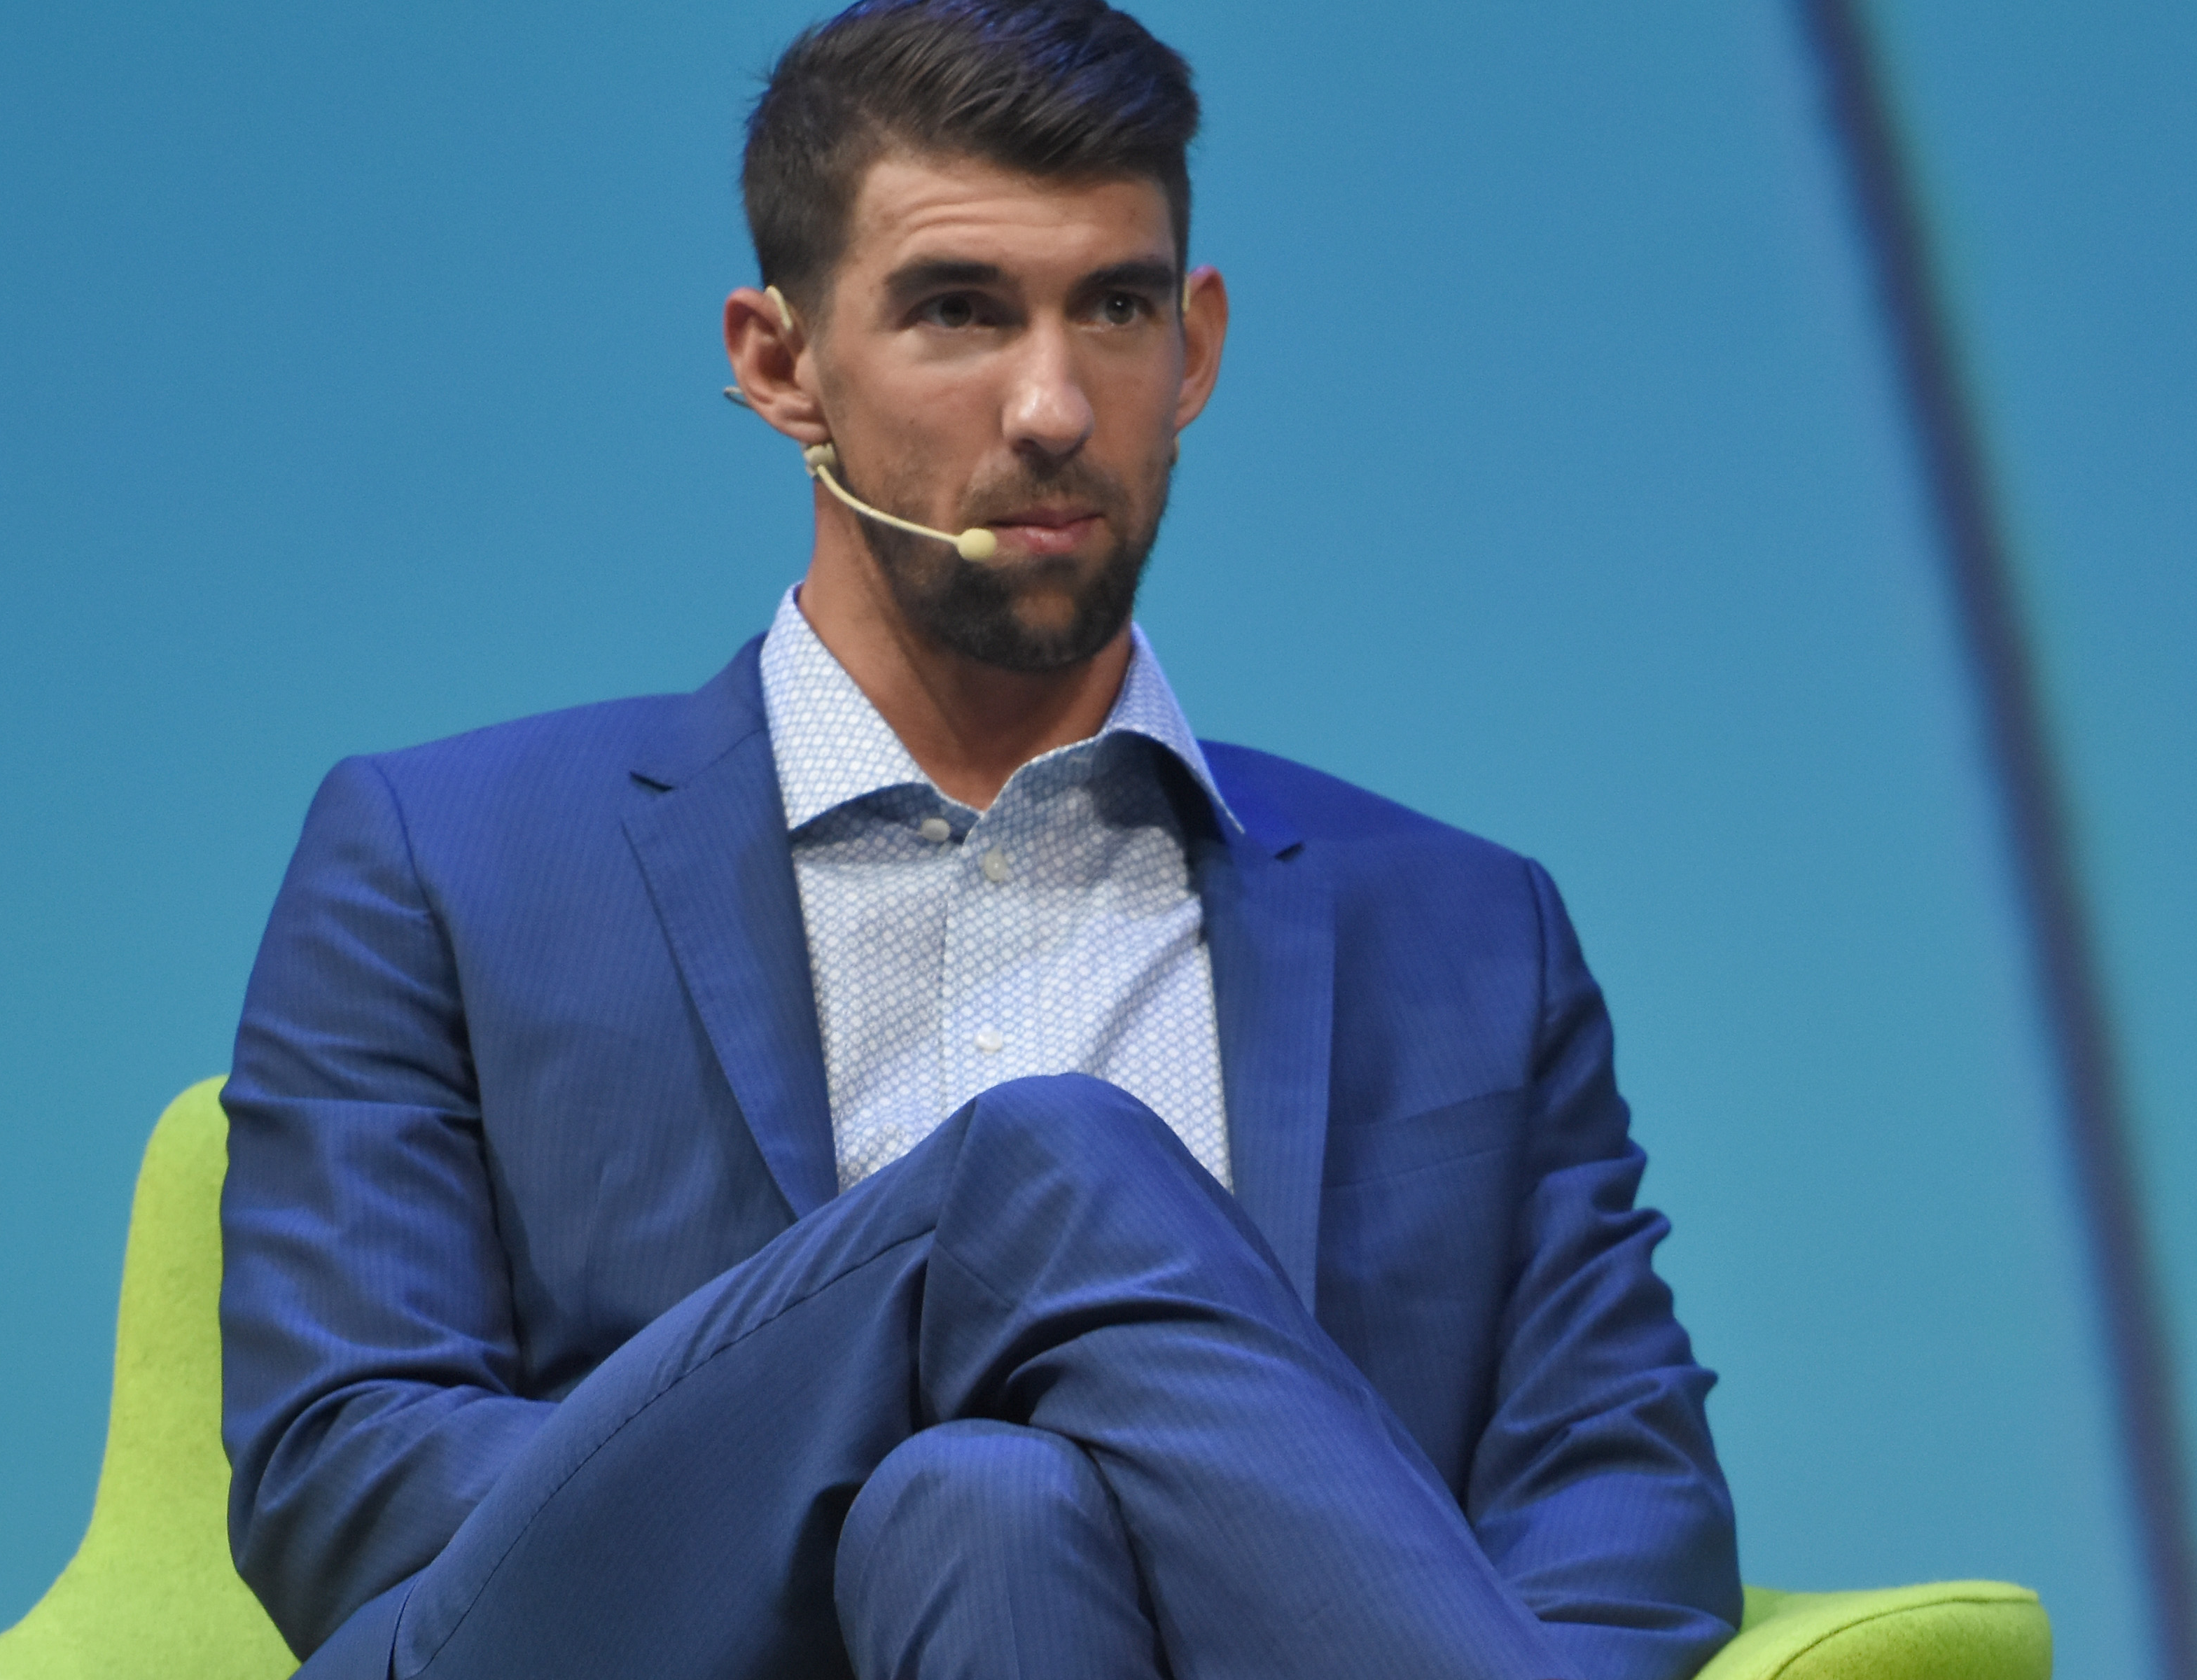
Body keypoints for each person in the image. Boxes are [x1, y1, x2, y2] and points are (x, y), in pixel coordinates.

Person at [219, 2, 1743, 1676]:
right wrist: (851, 1450)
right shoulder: (443, 860)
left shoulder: (1469, 933)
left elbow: (1621, 1520)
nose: (1052, 407)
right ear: (779, 362)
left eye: (1117, 307)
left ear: (1201, 348)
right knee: (1041, 1177)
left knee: (993, 1505)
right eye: (958, 311)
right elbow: (345, 1485)